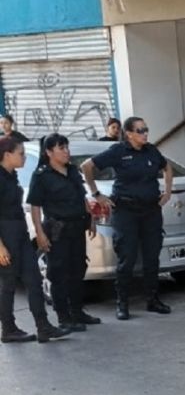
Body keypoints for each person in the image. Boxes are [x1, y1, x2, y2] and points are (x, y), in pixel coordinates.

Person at [82, 116, 174, 320]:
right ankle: (122, 303)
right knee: (127, 257)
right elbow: (87, 167)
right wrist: (97, 194)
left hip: (150, 210)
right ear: (129, 133)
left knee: (152, 256)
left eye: (146, 129)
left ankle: (152, 299)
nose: (145, 134)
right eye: (140, 130)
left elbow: (167, 167)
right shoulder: (118, 151)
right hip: (126, 211)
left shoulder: (151, 150)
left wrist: (167, 192)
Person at [0, 137, 71, 344]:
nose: (23, 157)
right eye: (20, 153)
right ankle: (8, 328)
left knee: (34, 280)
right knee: (8, 284)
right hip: (5, 235)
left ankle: (43, 326)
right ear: (7, 155)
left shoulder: (11, 176)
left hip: (20, 233)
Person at [28, 134, 102, 333]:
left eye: (67, 147)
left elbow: (82, 196)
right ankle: (64, 317)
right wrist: (40, 233)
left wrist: (91, 220)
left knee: (78, 269)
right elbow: (35, 206)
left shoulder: (71, 171)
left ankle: (77, 311)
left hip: (77, 227)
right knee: (59, 273)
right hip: (57, 230)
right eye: (61, 148)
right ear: (49, 152)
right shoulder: (42, 175)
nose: (66, 151)